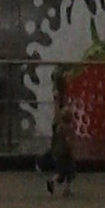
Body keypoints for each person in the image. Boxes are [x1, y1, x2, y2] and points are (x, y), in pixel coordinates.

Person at [42, 67, 76, 197]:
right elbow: (58, 109)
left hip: (60, 124)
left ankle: (66, 188)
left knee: (66, 167)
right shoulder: (60, 95)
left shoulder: (60, 94)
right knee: (67, 167)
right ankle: (62, 186)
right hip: (61, 125)